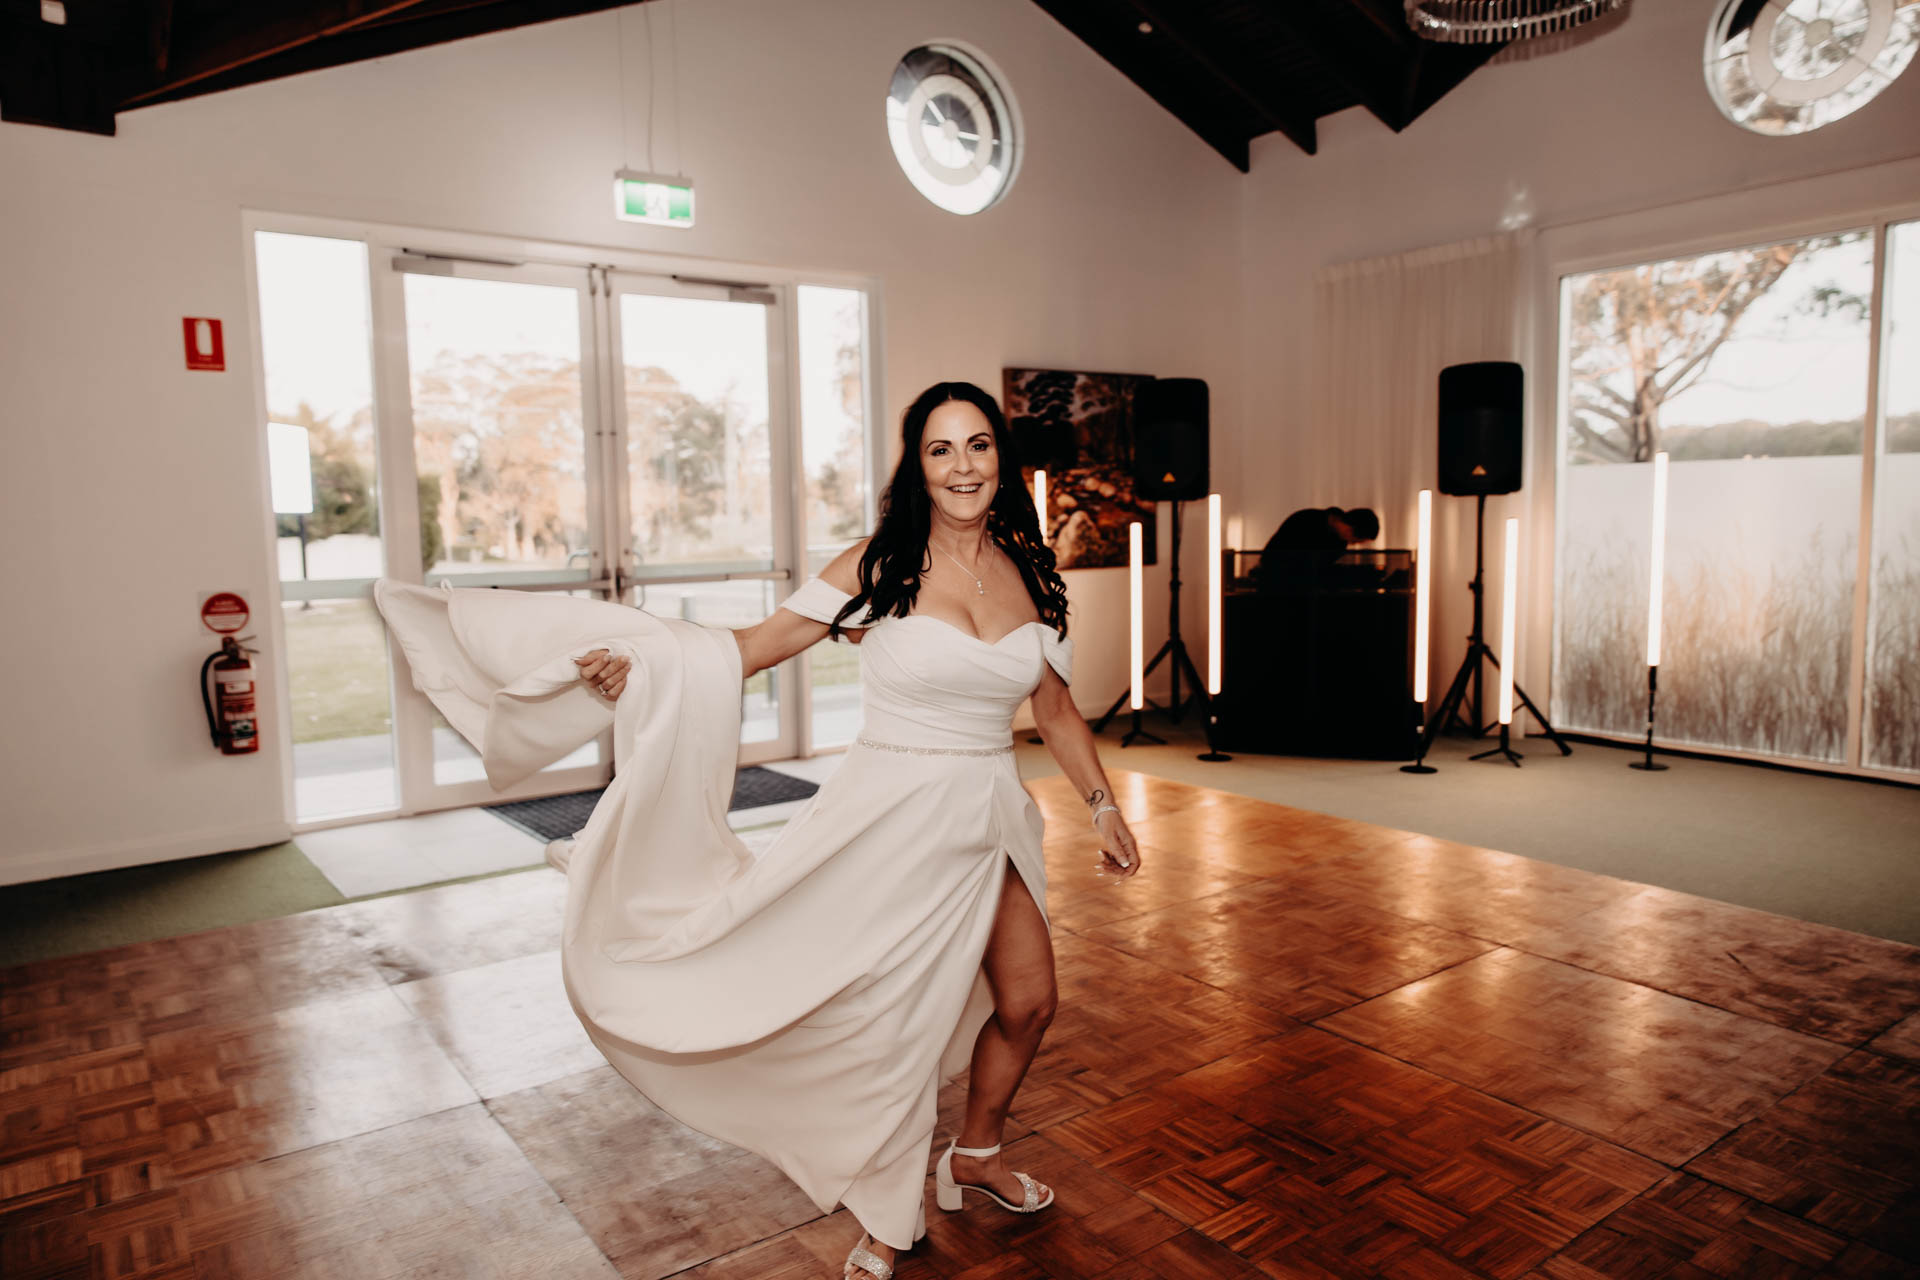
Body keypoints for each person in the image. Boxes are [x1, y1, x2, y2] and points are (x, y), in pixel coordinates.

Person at [375, 381, 1142, 1280]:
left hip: (990, 817)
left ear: (1000, 459)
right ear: (917, 466)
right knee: (894, 1023)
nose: (963, 466)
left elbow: (1052, 707)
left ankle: (973, 1157)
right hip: (892, 821)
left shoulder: (1024, 565)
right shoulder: (876, 564)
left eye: (977, 446)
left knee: (1030, 1001)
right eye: (941, 450)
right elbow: (746, 647)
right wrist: (646, 666)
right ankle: (888, 1214)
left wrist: (1102, 804)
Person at [1252, 505, 1379, 589]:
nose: (1353, 544)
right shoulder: (1307, 520)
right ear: (1351, 531)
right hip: (1275, 584)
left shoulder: (1339, 544)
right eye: (1356, 541)